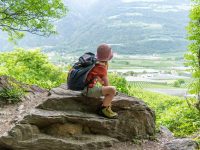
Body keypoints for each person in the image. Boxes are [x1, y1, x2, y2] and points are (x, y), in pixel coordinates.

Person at [82, 43, 118, 119]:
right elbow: (106, 86)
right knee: (113, 90)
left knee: (111, 90)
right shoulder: (101, 68)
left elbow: (98, 79)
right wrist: (110, 91)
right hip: (87, 90)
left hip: (83, 87)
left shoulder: (94, 63)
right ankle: (103, 110)